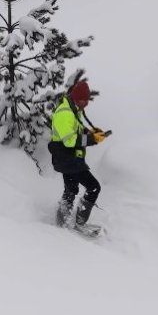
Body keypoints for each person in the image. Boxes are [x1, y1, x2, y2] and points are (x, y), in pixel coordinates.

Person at [48, 80, 108, 229]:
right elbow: (69, 140)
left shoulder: (74, 109)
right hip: (68, 158)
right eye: (84, 101)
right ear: (77, 98)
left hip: (69, 158)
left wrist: (91, 132)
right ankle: (79, 224)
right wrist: (92, 139)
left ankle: (61, 222)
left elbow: (76, 130)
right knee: (93, 187)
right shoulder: (64, 113)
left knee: (71, 189)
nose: (86, 105)